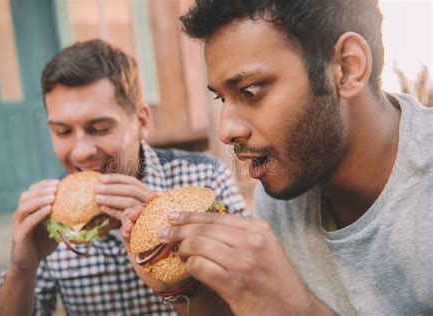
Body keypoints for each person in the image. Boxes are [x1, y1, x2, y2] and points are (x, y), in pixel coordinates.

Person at [120, 1, 433, 315]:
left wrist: (299, 309)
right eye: (221, 98)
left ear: (348, 68)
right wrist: (185, 288)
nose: (226, 130)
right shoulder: (282, 192)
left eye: (251, 91)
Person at [0, 39, 247, 315]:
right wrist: (22, 269)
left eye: (100, 128)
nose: (81, 152)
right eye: (62, 132)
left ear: (141, 122)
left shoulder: (204, 179)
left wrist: (167, 245)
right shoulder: (50, 215)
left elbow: (249, 298)